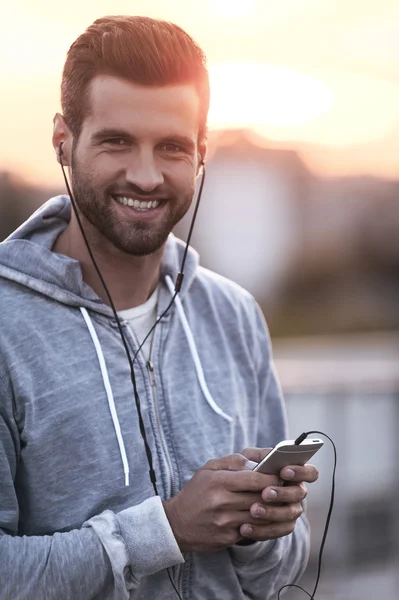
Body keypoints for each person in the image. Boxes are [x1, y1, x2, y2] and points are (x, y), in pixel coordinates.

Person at [0, 15, 318, 600]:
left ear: (200, 152)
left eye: (171, 147)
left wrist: (260, 533)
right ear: (63, 141)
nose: (145, 176)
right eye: (116, 141)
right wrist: (166, 530)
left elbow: (282, 573)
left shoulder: (234, 314)